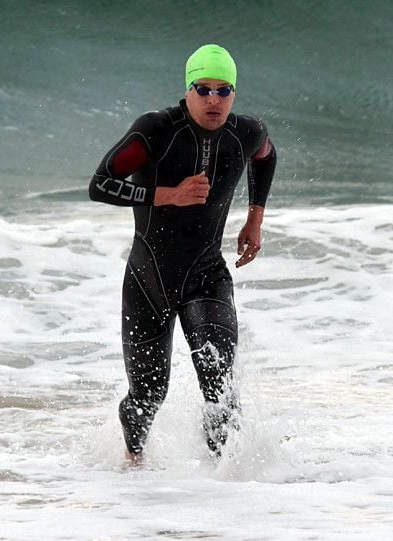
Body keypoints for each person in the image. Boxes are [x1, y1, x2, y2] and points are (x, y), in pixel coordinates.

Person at [88, 44, 277, 462]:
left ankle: (220, 491)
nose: (214, 99)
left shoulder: (245, 133)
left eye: (224, 90)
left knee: (220, 388)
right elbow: (100, 184)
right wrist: (168, 194)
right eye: (203, 88)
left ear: (234, 93)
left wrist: (255, 218)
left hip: (207, 276)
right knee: (147, 395)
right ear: (188, 89)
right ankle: (132, 461)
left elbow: (266, 156)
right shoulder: (156, 130)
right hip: (149, 279)